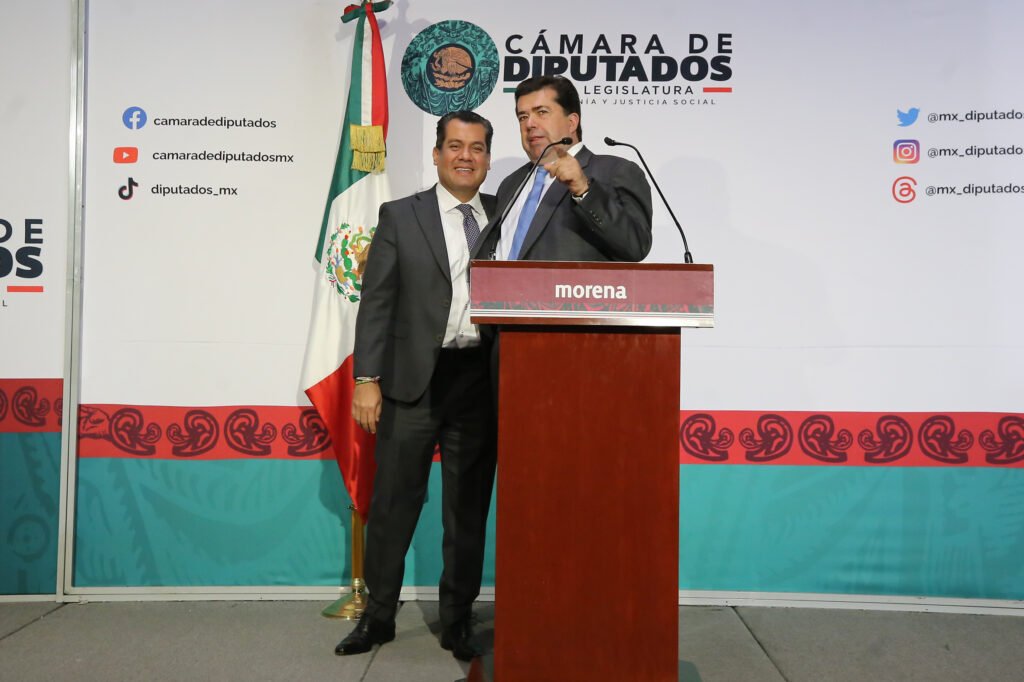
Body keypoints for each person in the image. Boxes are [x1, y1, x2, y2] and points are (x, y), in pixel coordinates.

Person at [334, 110, 497, 662]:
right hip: (411, 384)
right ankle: (377, 617)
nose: (465, 157)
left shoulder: (505, 216)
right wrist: (367, 379)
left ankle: (457, 620)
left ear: (487, 157)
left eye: (477, 148)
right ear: (436, 153)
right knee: (393, 507)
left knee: (467, 513)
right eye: (455, 146)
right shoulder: (401, 215)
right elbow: (377, 301)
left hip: (478, 383)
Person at [473, 75, 653, 262]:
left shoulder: (615, 172)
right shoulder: (511, 183)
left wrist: (584, 190)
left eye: (542, 112)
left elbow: (636, 246)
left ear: (572, 122)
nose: (529, 124)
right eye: (523, 117)